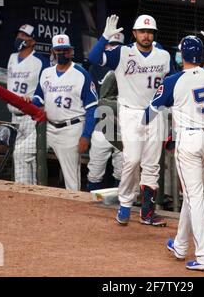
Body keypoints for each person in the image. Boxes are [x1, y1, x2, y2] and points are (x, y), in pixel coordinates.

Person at [142, 19, 204, 271]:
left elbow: (149, 112)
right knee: (192, 193)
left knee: (194, 197)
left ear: (181, 55)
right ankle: (181, 245)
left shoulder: (174, 81)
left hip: (189, 142)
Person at [88, 14, 174, 227]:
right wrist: (104, 37)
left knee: (152, 165)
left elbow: (173, 85)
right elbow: (93, 58)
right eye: (142, 31)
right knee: (132, 160)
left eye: (150, 32)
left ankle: (147, 213)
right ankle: (125, 205)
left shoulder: (164, 56)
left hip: (156, 113)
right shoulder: (122, 53)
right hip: (131, 113)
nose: (146, 35)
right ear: (134, 33)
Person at [32, 34, 98, 191]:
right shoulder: (46, 72)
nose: (62, 53)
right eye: (58, 50)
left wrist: (86, 135)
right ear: (53, 51)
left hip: (71, 129)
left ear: (70, 51)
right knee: (22, 152)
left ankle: (74, 212)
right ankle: (29, 193)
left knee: (71, 181)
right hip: (47, 128)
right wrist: (26, 101)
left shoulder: (81, 74)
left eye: (65, 50)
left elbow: (92, 108)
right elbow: (38, 99)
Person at [7, 24, 49, 185]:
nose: (20, 38)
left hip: (31, 116)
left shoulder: (40, 62)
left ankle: (31, 194)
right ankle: (23, 193)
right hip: (14, 116)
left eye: (24, 36)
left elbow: (47, 87)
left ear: (33, 41)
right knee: (19, 158)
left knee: (28, 157)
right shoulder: (11, 58)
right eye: (19, 34)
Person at [86, 33, 125, 191]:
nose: (112, 47)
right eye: (110, 44)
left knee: (122, 173)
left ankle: (120, 204)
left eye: (116, 45)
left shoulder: (130, 70)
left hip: (123, 128)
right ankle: (89, 207)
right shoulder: (95, 68)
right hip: (101, 126)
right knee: (95, 172)